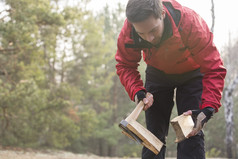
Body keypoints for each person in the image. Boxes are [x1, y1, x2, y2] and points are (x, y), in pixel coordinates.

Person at [115, 0, 226, 158]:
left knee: (189, 133)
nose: (149, 38)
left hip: (192, 74)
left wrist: (208, 108)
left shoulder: (190, 22)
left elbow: (213, 68)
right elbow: (125, 65)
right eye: (142, 34)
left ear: (162, 14)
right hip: (157, 73)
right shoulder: (129, 30)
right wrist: (138, 91)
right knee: (153, 136)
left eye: (153, 30)